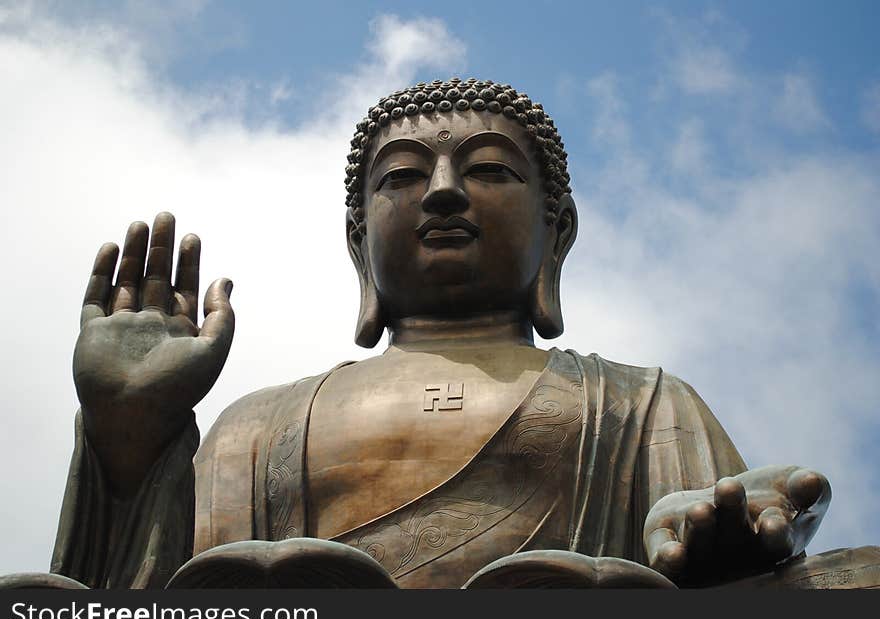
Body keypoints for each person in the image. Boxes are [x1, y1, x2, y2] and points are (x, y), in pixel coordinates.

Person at [51, 78, 831, 589]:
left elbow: (717, 552)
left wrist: (719, 538)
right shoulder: (257, 425)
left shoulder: (642, 404)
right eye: (403, 176)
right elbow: (131, 612)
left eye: (490, 169)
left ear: (555, 233)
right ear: (359, 242)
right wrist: (131, 440)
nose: (447, 193)